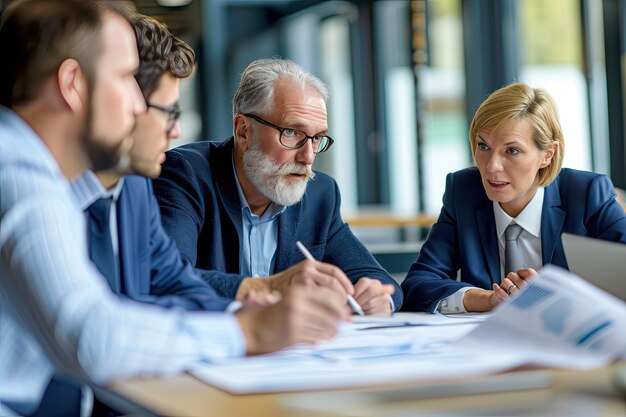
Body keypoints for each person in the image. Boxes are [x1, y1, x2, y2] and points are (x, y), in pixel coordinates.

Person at [0, 2, 347, 415]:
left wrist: (253, 311)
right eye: (127, 78)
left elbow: (170, 282)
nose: (136, 105)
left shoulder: (80, 182)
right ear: (72, 83)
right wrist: (247, 331)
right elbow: (91, 337)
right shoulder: (16, 171)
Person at [153, 58, 402, 314]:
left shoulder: (319, 194)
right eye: (292, 132)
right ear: (243, 131)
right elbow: (165, 277)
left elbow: (377, 278)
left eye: (317, 138)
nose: (308, 157)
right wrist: (271, 287)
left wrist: (378, 297)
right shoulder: (186, 175)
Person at [401, 82, 626, 313]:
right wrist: (488, 299)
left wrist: (557, 298)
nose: (492, 167)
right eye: (483, 146)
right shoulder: (463, 192)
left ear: (547, 154)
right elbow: (418, 285)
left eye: (512, 151)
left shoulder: (587, 194)